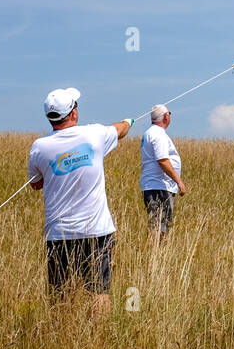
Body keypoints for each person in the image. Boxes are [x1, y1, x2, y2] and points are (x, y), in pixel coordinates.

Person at [27, 87, 133, 315]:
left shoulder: (39, 147)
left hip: (59, 234)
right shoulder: (94, 134)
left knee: (59, 292)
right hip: (96, 231)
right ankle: (99, 341)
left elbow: (35, 184)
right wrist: (129, 121)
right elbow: (121, 130)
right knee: (99, 291)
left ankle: (59, 335)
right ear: (73, 113)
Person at [140, 104, 185, 243]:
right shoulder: (158, 134)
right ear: (166, 116)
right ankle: (155, 256)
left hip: (157, 185)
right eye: (169, 113)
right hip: (159, 186)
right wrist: (179, 181)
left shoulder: (152, 133)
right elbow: (163, 160)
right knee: (158, 225)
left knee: (161, 224)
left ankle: (158, 255)